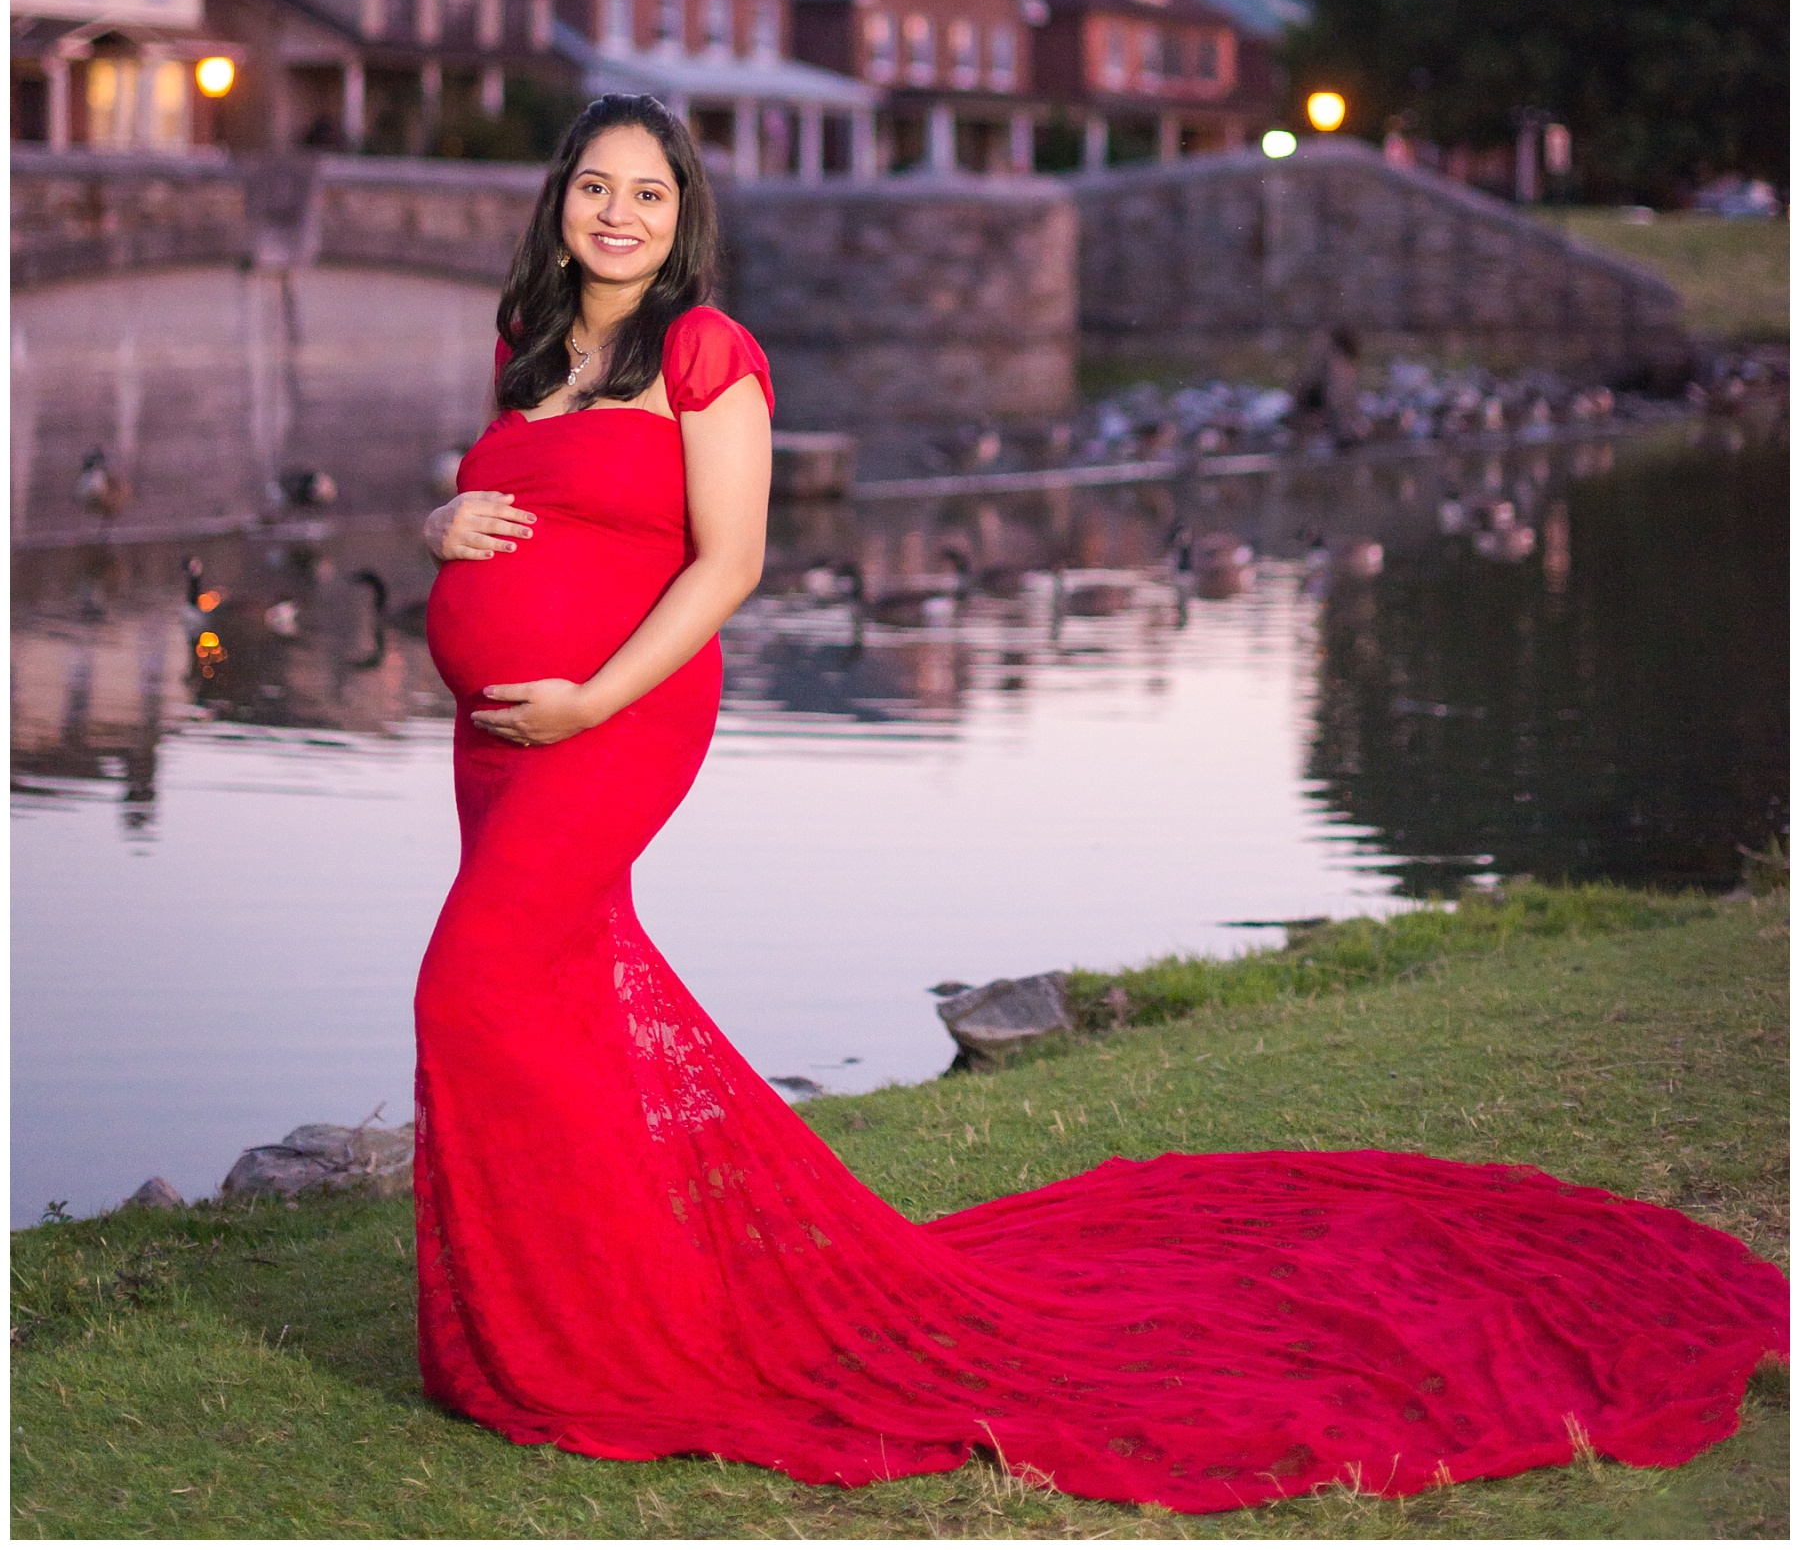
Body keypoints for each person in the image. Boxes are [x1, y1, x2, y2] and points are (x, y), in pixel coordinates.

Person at [414, 95, 1785, 1517]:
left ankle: (574, 1337)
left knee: (472, 987)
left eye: (647, 189)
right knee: (559, 989)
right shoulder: (529, 350)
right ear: (559, 201)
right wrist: (436, 522)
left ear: (683, 210)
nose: (618, 211)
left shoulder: (706, 352)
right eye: (594, 185)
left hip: (614, 715)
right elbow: (502, 508)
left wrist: (589, 697)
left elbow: (730, 564)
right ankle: (571, 1302)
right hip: (496, 735)